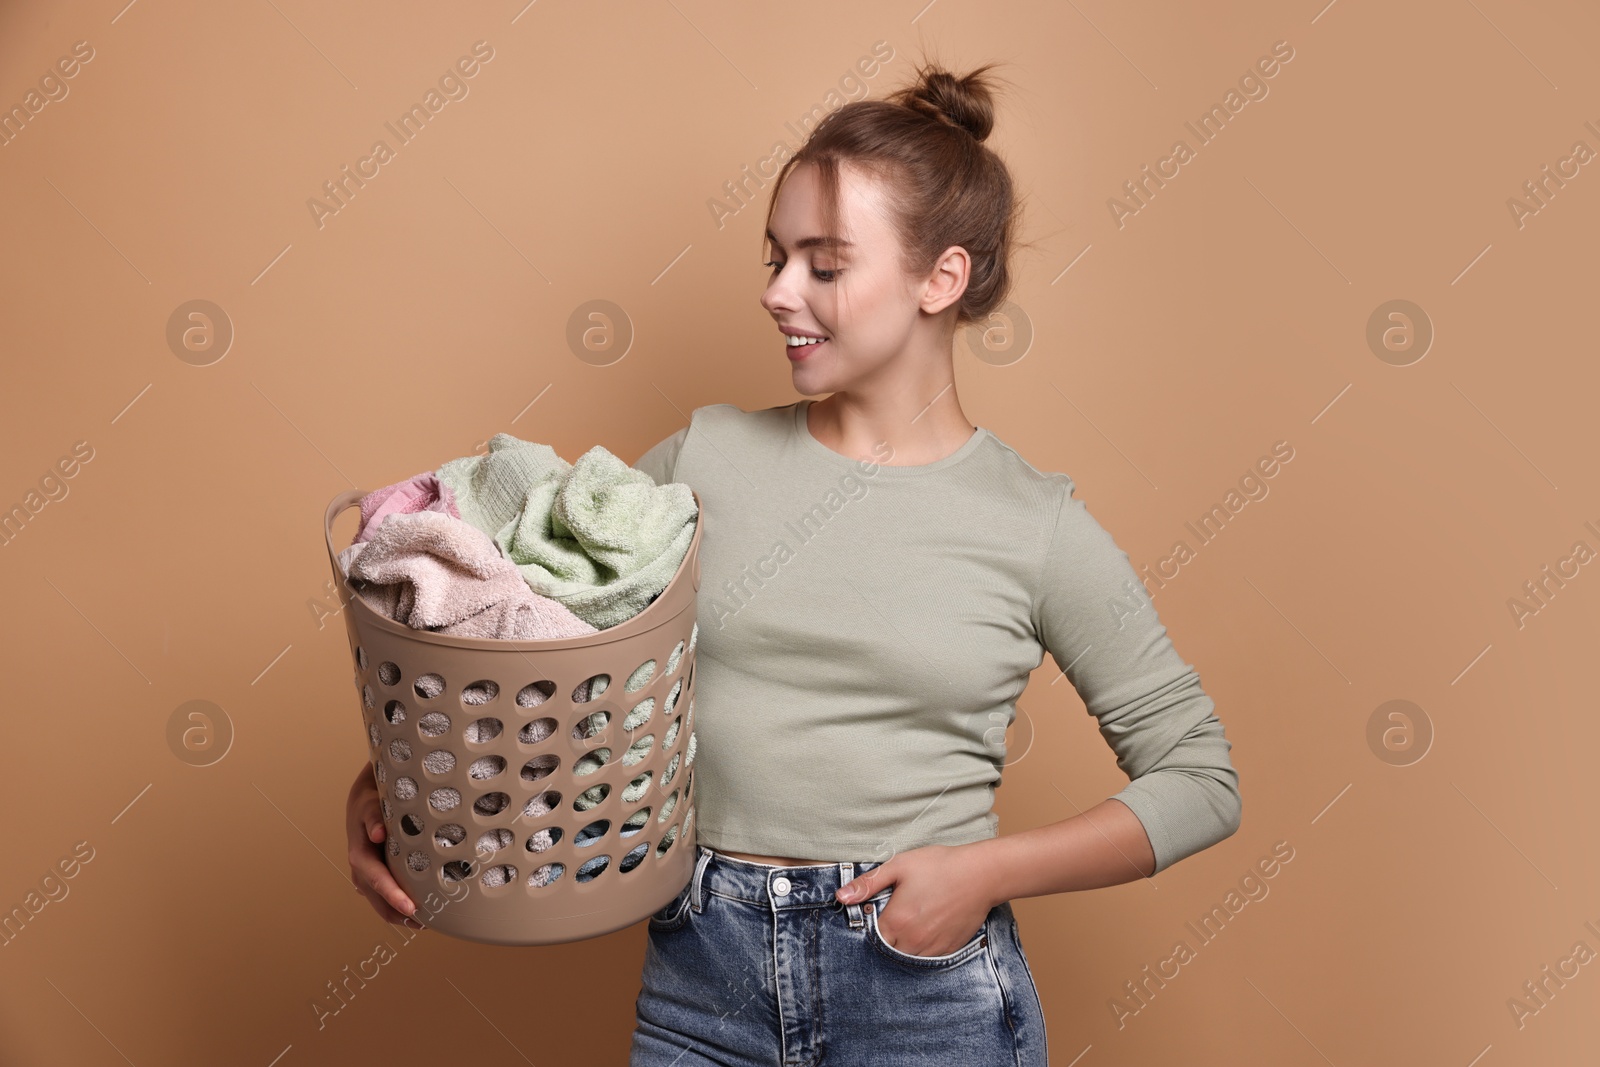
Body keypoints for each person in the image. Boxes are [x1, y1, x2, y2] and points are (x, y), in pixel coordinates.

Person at [346, 56, 1241, 1066]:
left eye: (823, 265)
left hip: (924, 995)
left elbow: (1200, 777)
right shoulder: (700, 461)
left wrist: (984, 870)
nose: (777, 292)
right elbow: (534, 650)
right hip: (701, 975)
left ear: (939, 277)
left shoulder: (1033, 523)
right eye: (773, 257)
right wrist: (404, 790)